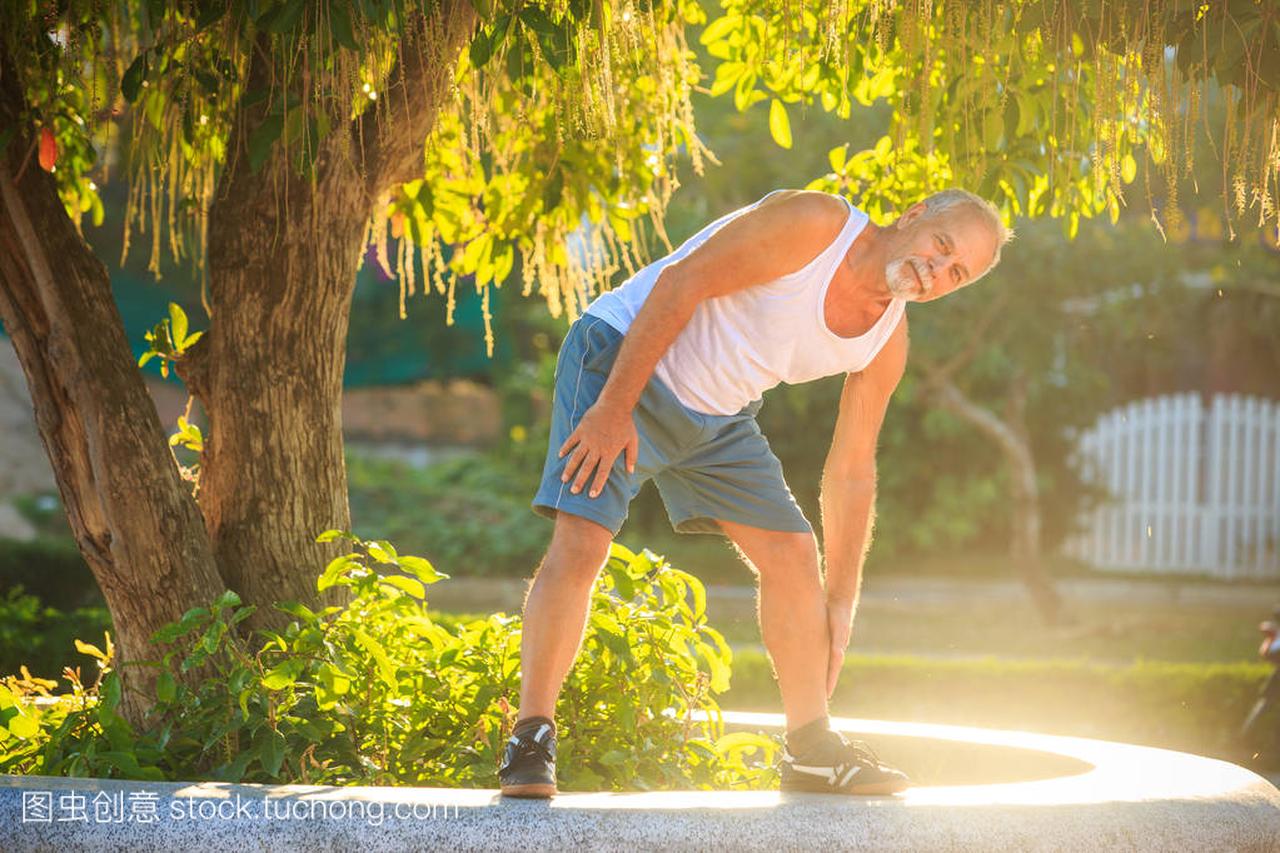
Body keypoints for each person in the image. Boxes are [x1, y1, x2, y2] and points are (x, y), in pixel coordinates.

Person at [497, 187, 1012, 797]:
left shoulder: (885, 342)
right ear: (914, 215)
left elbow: (851, 471)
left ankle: (812, 751)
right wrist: (612, 408)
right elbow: (682, 283)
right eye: (943, 245)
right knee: (583, 543)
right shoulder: (817, 226)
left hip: (718, 416)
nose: (938, 270)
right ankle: (530, 737)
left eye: (958, 272)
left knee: (795, 558)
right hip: (624, 361)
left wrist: (841, 603)